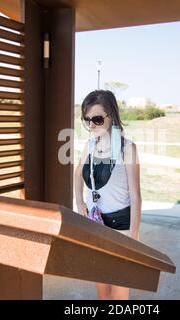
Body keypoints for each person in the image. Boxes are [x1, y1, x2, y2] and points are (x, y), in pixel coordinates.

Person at [74, 90, 142, 300]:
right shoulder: (90, 145)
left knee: (119, 291)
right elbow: (77, 175)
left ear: (111, 116)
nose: (91, 125)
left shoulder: (127, 149)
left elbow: (136, 196)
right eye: (87, 119)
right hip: (96, 225)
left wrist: (133, 239)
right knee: (102, 289)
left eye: (97, 119)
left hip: (121, 228)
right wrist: (80, 203)